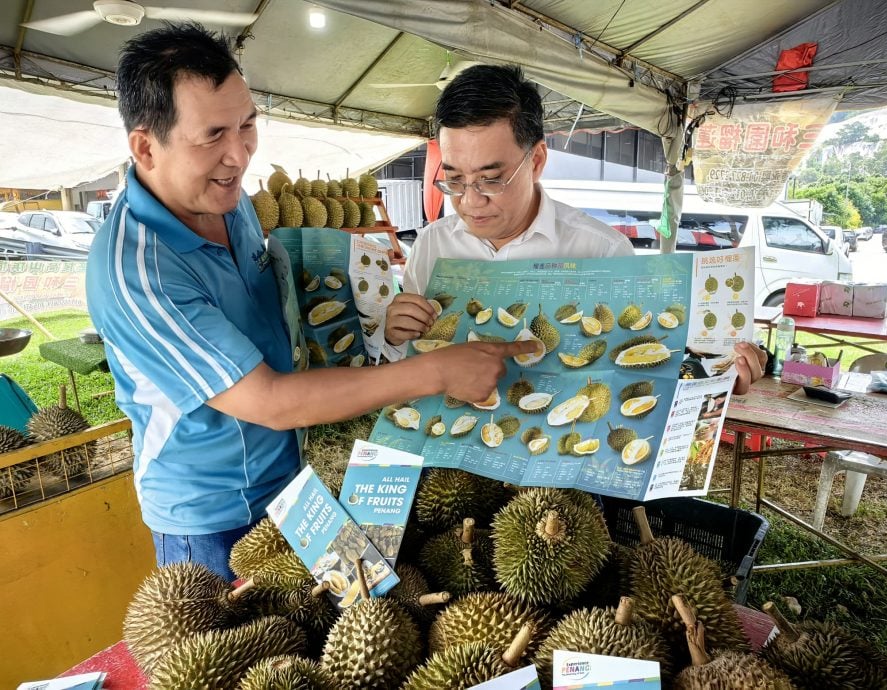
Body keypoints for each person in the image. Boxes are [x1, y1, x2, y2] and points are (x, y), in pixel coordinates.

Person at [85, 23, 535, 581]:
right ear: (146, 147)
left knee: (340, 618)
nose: (238, 155)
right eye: (213, 135)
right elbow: (270, 401)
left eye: (247, 125)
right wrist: (438, 371)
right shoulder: (137, 271)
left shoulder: (229, 203)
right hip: (214, 516)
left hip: (298, 482)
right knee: (245, 637)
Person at [382, 64, 766, 391]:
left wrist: (715, 377)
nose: (470, 201)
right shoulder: (432, 244)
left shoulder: (603, 252)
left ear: (536, 161)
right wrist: (395, 335)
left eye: (491, 179)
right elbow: (411, 362)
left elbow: (639, 366)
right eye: (454, 180)